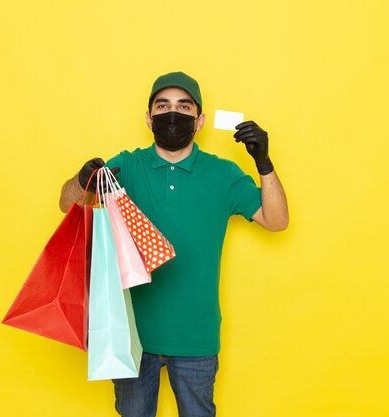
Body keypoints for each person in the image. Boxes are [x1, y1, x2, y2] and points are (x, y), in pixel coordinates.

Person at [59, 71, 289, 417]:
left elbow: (277, 221)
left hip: (196, 338)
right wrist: (82, 180)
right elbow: (68, 204)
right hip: (131, 338)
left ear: (199, 121)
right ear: (148, 117)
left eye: (184, 106)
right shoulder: (126, 166)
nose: (173, 114)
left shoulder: (223, 174)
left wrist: (264, 164)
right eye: (163, 105)